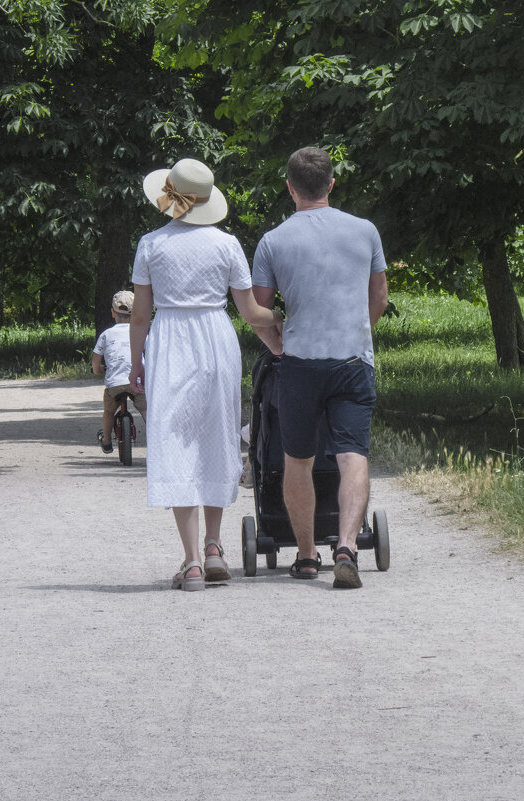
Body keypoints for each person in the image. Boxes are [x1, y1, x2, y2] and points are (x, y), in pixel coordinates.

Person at [128, 158, 283, 592]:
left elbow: (139, 316)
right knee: (217, 436)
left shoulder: (151, 244)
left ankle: (192, 561)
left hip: (171, 337)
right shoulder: (227, 243)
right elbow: (252, 312)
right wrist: (291, 316)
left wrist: (137, 363)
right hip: (215, 336)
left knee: (176, 442)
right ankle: (215, 547)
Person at [251, 146, 389, 589]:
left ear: (290, 188)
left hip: (300, 364)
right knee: (353, 455)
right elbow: (380, 299)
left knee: (298, 459)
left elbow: (259, 311)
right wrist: (354, 332)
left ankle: (307, 556)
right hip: (352, 360)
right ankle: (346, 546)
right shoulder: (365, 231)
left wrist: (278, 345)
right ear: (331, 183)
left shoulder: (272, 241)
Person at [92, 290, 148, 454]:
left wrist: (97, 370)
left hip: (115, 384)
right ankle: (156, 441)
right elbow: (151, 353)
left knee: (109, 412)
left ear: (112, 313)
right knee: (145, 409)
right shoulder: (141, 333)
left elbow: (96, 359)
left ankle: (107, 441)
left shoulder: (106, 335)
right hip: (136, 382)